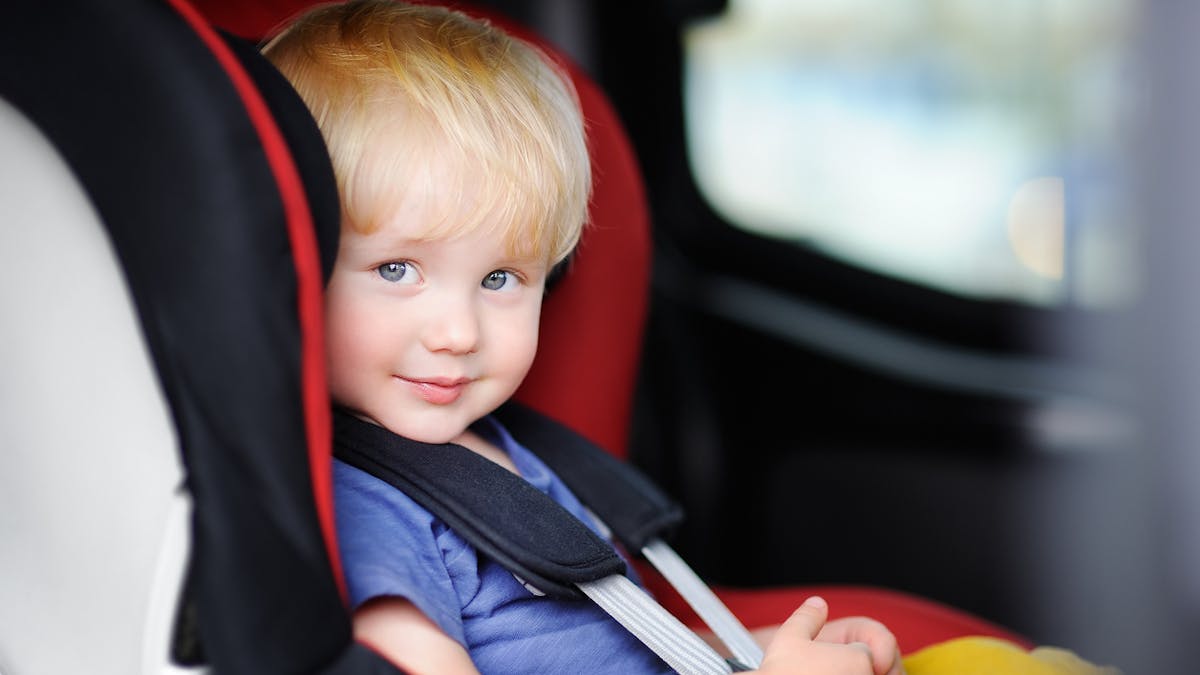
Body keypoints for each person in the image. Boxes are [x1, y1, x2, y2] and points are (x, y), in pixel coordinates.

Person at [261, 2, 1115, 674]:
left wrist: (760, 646)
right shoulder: (365, 508)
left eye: (500, 281)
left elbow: (610, 642)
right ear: (292, 263)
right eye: (398, 270)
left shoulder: (498, 446)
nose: (456, 332)